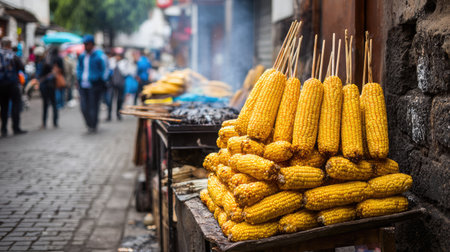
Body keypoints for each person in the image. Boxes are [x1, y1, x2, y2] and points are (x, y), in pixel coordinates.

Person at [76, 35, 106, 133]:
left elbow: (105, 70)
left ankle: (93, 125)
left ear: (92, 44)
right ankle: (89, 124)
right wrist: (79, 78)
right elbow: (79, 68)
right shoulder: (82, 56)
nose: (85, 46)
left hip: (95, 85)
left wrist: (100, 79)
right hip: (83, 85)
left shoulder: (99, 56)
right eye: (84, 44)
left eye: (87, 44)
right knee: (84, 107)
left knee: (94, 106)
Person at [0, 38, 26, 136]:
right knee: (15, 106)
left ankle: (4, 129)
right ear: (9, 45)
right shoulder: (13, 55)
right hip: (12, 84)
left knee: (3, 107)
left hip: (1, 85)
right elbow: (22, 68)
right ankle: (16, 128)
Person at [36, 47, 63, 129]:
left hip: (47, 85)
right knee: (52, 103)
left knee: (47, 104)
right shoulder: (46, 61)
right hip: (49, 85)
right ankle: (52, 122)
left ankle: (47, 122)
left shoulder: (44, 62)